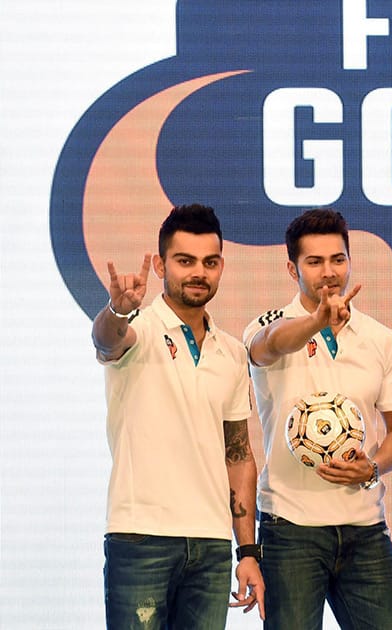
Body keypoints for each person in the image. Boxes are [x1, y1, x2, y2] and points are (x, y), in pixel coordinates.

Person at [93, 204, 264, 628]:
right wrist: (116, 311)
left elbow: (238, 456)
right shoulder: (140, 328)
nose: (198, 273)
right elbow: (106, 342)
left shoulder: (231, 351)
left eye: (209, 262)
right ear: (159, 264)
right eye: (184, 261)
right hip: (141, 538)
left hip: (210, 545)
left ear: (221, 266)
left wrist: (247, 551)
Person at [244, 208, 392, 629]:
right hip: (290, 530)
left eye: (338, 259)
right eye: (314, 262)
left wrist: (373, 465)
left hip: (365, 529)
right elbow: (268, 346)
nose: (329, 272)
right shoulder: (268, 326)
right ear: (292, 268)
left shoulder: (380, 339)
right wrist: (316, 320)